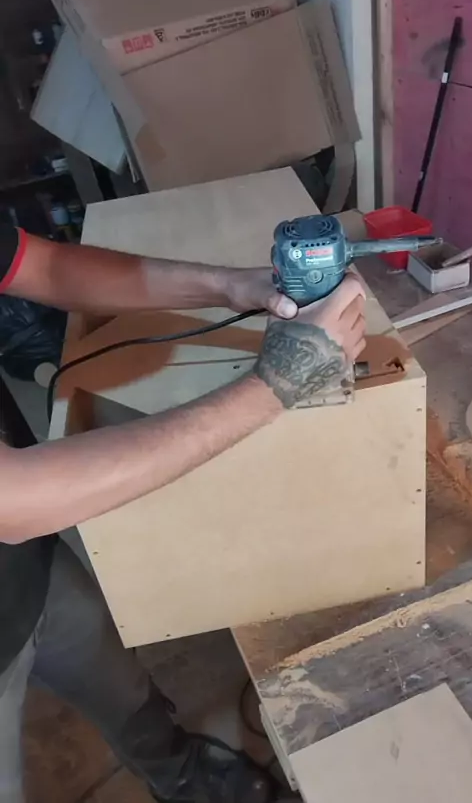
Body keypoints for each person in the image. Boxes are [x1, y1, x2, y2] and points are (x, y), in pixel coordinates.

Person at [0, 223, 366, 803]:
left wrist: (231, 286)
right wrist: (275, 386)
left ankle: (182, 774)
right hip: (17, 532)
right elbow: (13, 501)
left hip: (25, 566)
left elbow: (42, 267)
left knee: (117, 684)